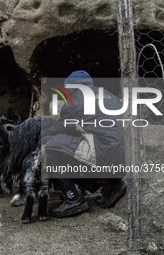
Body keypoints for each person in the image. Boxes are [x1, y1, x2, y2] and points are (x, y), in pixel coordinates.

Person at [43, 70, 127, 218]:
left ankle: (73, 198)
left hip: (102, 152)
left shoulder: (74, 101)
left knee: (50, 147)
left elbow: (62, 127)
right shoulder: (109, 96)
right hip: (121, 158)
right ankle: (111, 185)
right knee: (83, 145)